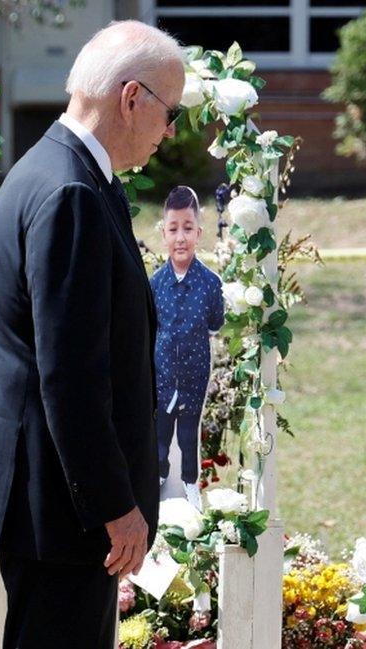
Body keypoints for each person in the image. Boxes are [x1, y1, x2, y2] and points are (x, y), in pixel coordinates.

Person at [0, 20, 184, 649]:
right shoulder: (70, 191)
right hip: (65, 510)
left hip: (47, 501)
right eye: (172, 113)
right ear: (132, 98)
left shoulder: (47, 169)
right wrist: (116, 507)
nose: (171, 132)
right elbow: (69, 375)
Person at [150, 186, 223, 509]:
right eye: (174, 229)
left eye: (188, 228)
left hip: (194, 374)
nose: (181, 237)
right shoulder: (154, 284)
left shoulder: (210, 283)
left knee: (189, 434)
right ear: (164, 234)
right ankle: (158, 477)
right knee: (161, 434)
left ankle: (192, 485)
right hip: (162, 373)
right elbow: (150, 326)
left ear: (199, 233)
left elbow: (215, 323)